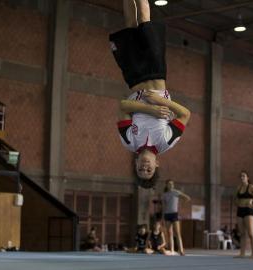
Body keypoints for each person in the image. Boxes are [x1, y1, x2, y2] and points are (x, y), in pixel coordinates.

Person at [110, 0, 191, 189]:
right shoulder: (166, 141)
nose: (144, 167)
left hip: (134, 77)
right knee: (145, 21)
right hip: (156, 72)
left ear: (135, 164)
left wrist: (150, 109)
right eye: (149, 170)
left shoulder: (129, 141)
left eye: (140, 170)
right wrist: (161, 101)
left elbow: (123, 106)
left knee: (129, 25)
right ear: (157, 165)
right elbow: (186, 114)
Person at [162, 179, 191, 255]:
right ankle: (171, 250)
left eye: (172, 184)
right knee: (169, 233)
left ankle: (181, 250)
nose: (170, 185)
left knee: (177, 233)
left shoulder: (176, 192)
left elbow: (187, 198)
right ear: (166, 185)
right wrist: (163, 216)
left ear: (173, 185)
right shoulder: (164, 194)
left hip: (174, 214)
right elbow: (164, 206)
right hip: (167, 214)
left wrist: (181, 206)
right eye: (169, 184)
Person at [234, 171, 253, 258]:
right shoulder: (238, 188)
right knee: (242, 233)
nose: (242, 177)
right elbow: (235, 199)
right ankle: (242, 253)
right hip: (240, 210)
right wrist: (237, 203)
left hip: (249, 210)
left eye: (244, 176)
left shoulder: (251, 187)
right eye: (241, 176)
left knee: (251, 233)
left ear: (248, 178)